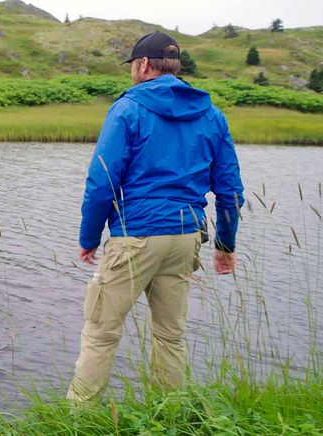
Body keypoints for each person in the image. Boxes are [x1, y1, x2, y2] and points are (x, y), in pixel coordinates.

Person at [67, 31, 244, 401]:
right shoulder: (212, 115)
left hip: (137, 235)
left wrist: (88, 238)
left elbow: (102, 181)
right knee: (170, 336)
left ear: (144, 65)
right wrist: (225, 243)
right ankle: (169, 415)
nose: (132, 71)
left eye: (133, 64)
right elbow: (229, 190)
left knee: (101, 331)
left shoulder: (128, 108)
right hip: (185, 237)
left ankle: (78, 420)